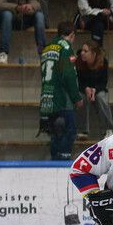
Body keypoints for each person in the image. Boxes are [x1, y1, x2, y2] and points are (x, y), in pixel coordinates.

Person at [39, 20, 83, 160]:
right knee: (69, 131)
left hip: (47, 98)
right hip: (62, 97)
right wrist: (76, 97)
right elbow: (68, 74)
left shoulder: (47, 48)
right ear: (72, 35)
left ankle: (54, 163)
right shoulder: (66, 47)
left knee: (55, 133)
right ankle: (63, 162)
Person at [75, 40, 113, 136]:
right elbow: (78, 81)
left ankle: (108, 129)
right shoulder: (79, 61)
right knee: (81, 98)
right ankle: (82, 130)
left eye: (85, 51)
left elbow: (103, 82)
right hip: (83, 89)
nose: (82, 53)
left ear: (94, 53)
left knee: (101, 98)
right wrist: (86, 89)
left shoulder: (103, 62)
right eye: (82, 50)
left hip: (98, 88)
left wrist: (95, 90)